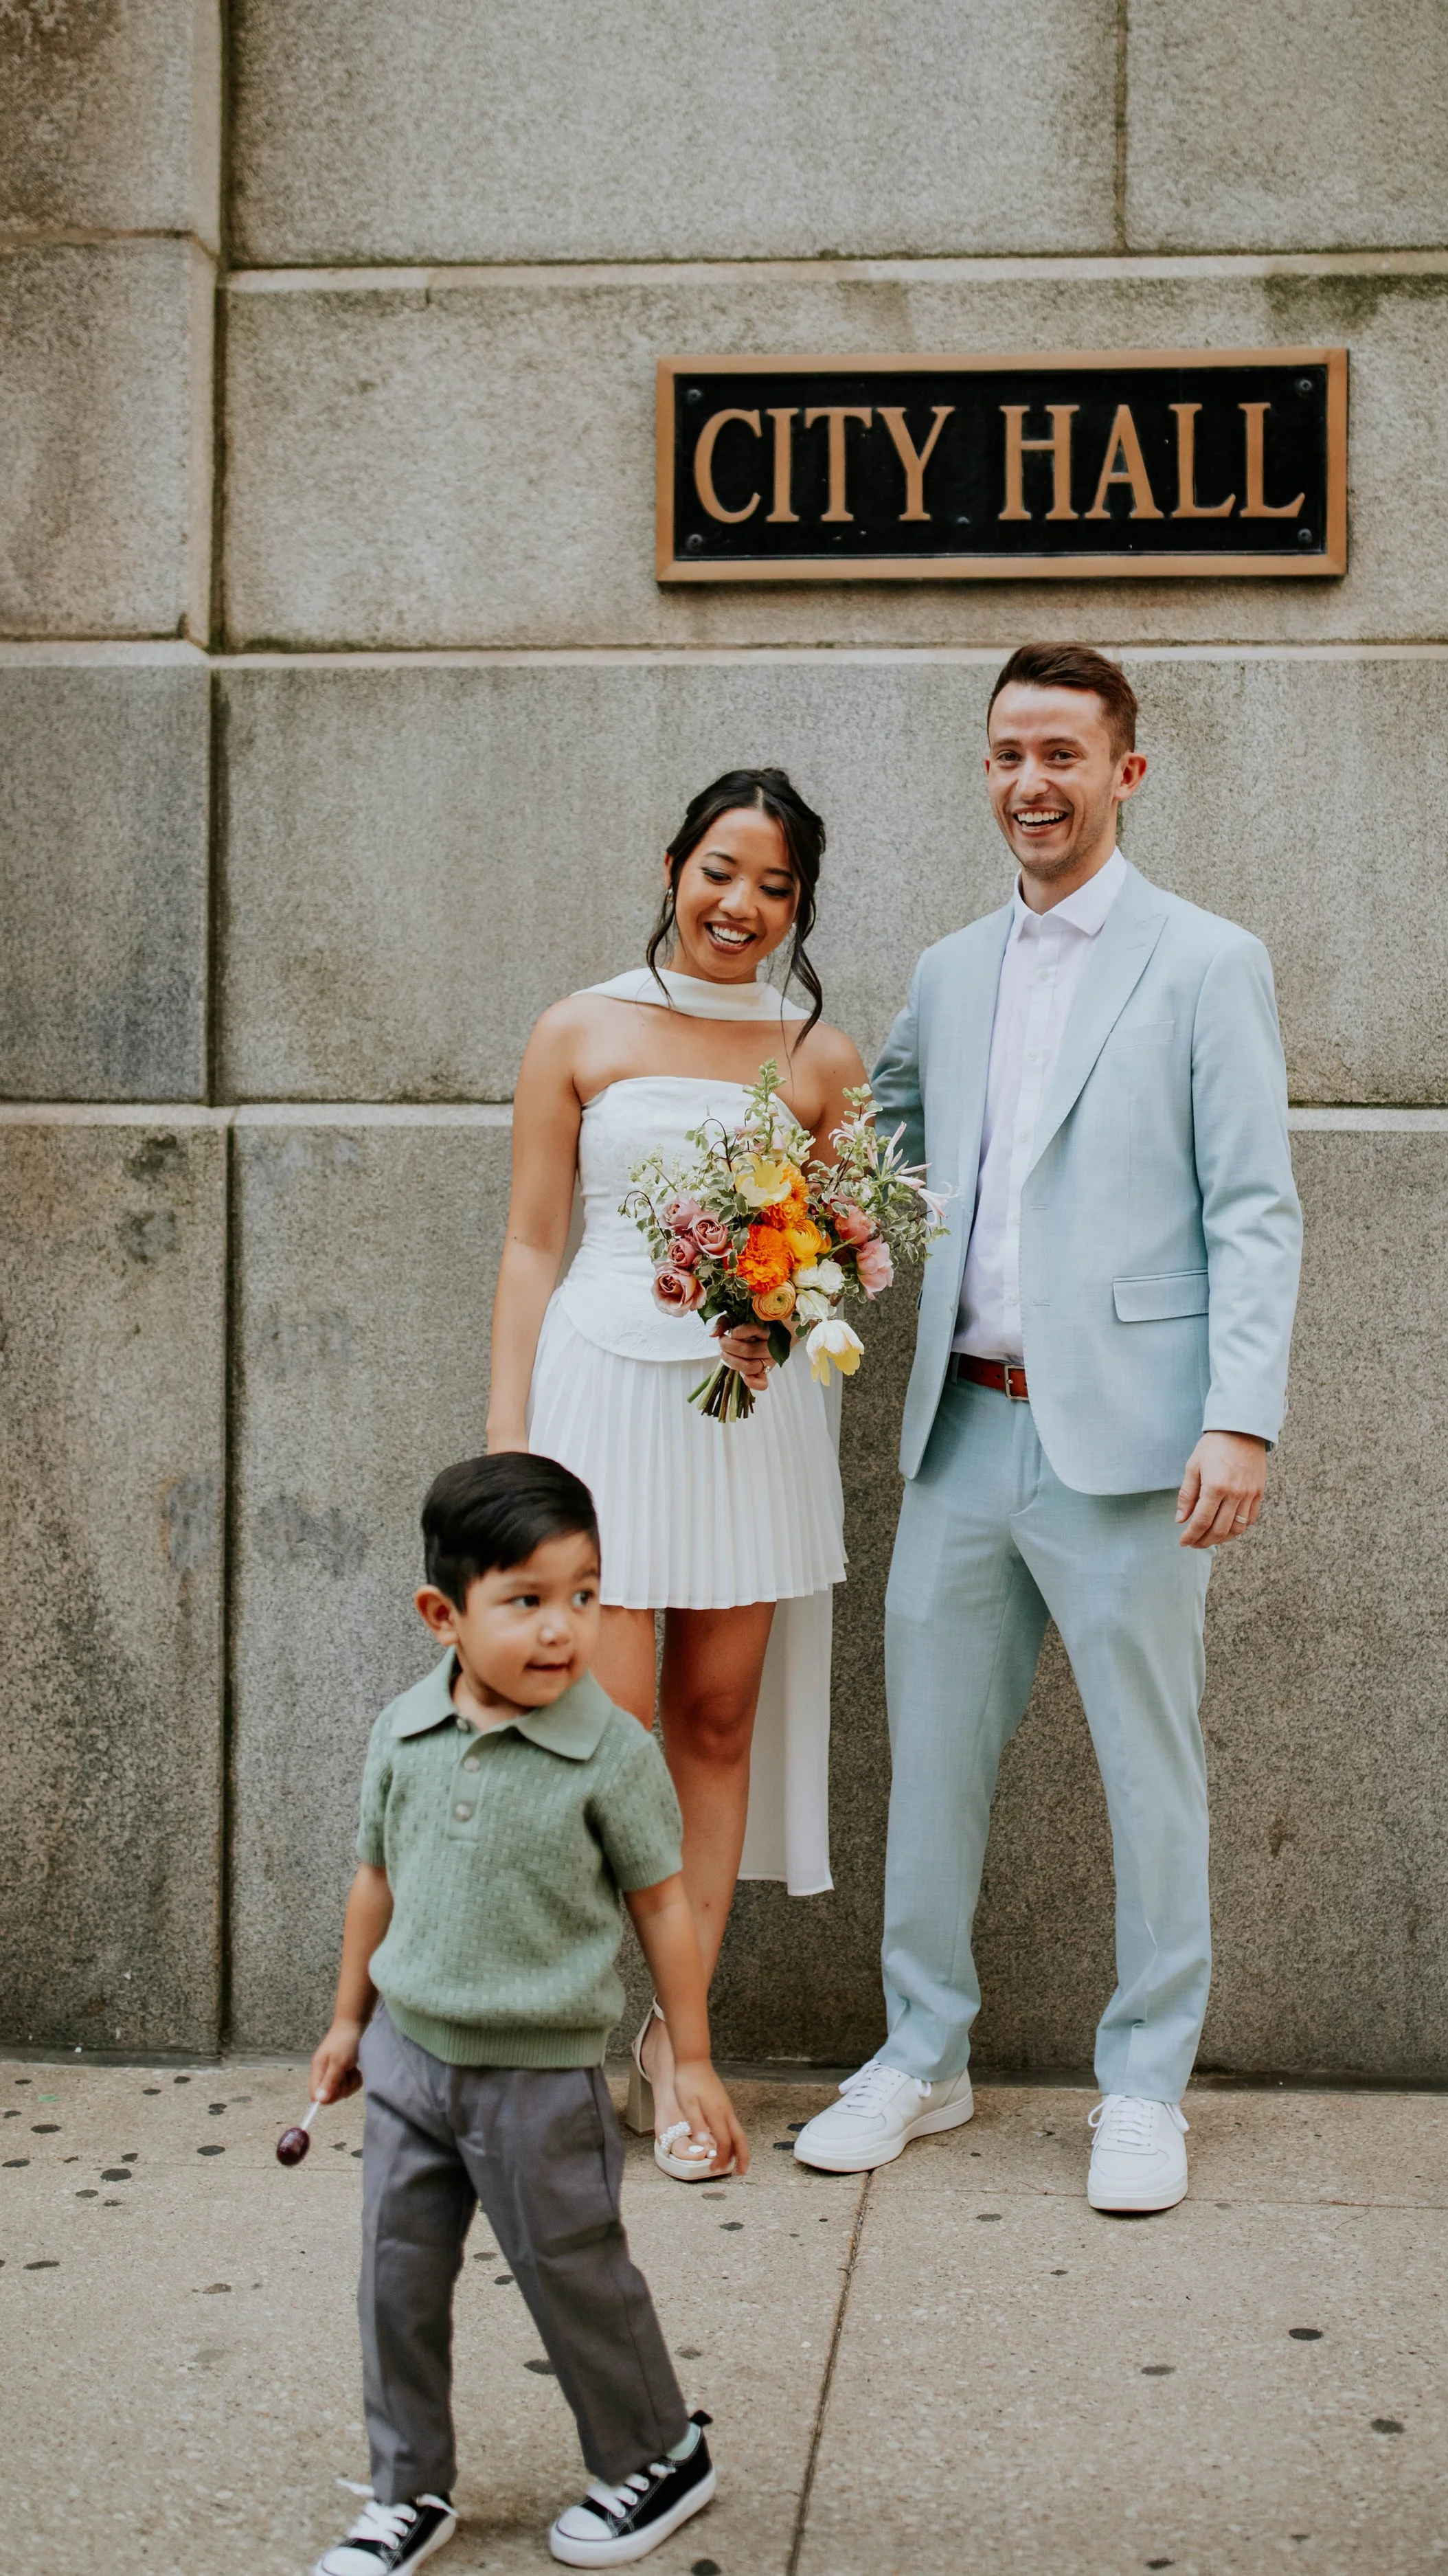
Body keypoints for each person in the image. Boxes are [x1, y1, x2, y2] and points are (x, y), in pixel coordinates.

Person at [793, 643, 1302, 2213]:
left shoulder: (1206, 960)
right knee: (932, 1764)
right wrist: (749, 1221)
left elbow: (1253, 1210)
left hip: (1135, 1449)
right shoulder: (949, 969)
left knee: (1152, 1770)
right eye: (1009, 753)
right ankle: (922, 2056)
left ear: (1122, 772)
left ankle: (1145, 2082)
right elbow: (869, 1142)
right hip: (960, 1431)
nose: (1032, 782)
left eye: (1063, 756)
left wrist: (1241, 1423)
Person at [486, 770, 870, 2176]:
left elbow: (846, 1252)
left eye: (775, 888)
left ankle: (679, 2044)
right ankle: (552, 2043)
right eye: (723, 871)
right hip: (600, 1405)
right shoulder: (578, 1028)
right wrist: (509, 1453)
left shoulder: (819, 1056)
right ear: (673, 865)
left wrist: (797, 1282)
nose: (742, 906)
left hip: (747, 1419)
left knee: (715, 1729)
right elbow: (532, 1243)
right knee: (611, 1738)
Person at [306, 1451, 746, 2576]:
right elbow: (375, 1880)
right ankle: (408, 2487)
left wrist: (687, 2058)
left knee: (574, 2268)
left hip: (541, 2074)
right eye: (528, 1601)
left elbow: (663, 1903)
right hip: (411, 2056)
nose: (564, 1629)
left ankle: (658, 2452)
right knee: (395, 2275)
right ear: (442, 1615)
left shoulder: (610, 1751)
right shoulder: (402, 1731)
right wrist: (349, 2023)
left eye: (585, 1596)